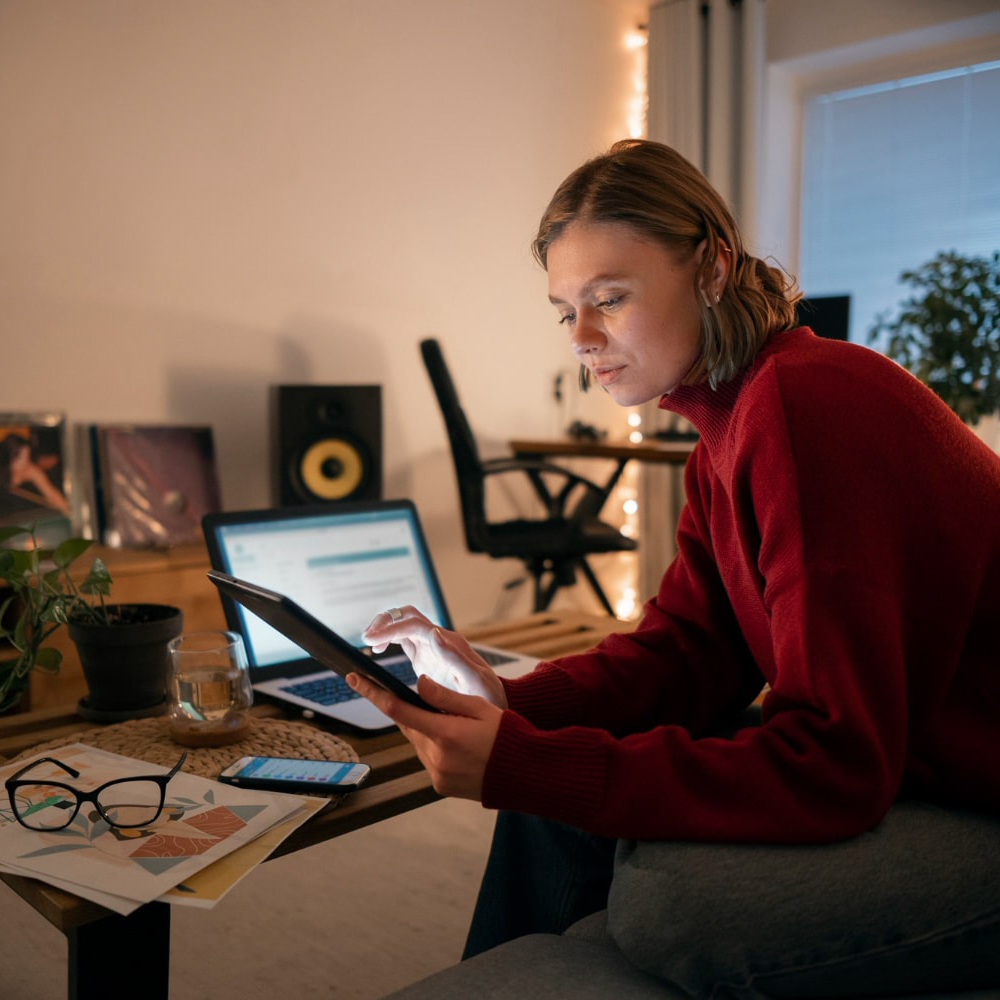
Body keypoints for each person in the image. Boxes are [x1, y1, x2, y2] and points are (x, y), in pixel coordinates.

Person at [349, 139, 1000, 998]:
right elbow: (690, 653)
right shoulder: (726, 430)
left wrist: (532, 763)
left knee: (672, 907)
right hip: (910, 761)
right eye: (564, 311)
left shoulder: (808, 405)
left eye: (609, 299)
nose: (581, 338)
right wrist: (511, 704)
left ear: (713, 267)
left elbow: (836, 762)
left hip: (974, 795)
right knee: (548, 792)